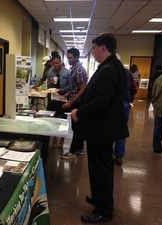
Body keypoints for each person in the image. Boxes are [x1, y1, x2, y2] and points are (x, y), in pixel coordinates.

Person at [71, 33, 129, 223]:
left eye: (94, 48)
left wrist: (79, 113)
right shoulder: (110, 66)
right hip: (102, 128)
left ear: (103, 48)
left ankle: (104, 209)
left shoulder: (109, 68)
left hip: (102, 129)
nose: (93, 52)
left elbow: (101, 101)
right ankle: (99, 198)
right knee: (97, 168)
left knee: (102, 169)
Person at [61, 48, 87, 158]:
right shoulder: (74, 68)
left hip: (77, 103)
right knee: (78, 127)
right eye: (67, 58)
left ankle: (72, 151)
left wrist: (70, 103)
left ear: (76, 57)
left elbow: (82, 89)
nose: (68, 60)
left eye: (70, 58)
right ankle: (80, 148)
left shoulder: (79, 70)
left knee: (76, 128)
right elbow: (75, 87)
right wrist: (67, 94)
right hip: (74, 100)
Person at [113, 54, 137, 165]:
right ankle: (119, 155)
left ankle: (107, 153)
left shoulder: (108, 71)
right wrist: (129, 98)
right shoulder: (127, 72)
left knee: (109, 126)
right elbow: (134, 88)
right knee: (122, 128)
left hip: (111, 102)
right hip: (124, 102)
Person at [46, 51, 70, 149]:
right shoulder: (51, 72)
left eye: (57, 63)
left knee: (63, 119)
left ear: (60, 61)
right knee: (54, 119)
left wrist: (62, 90)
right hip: (54, 98)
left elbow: (71, 85)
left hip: (64, 98)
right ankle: (55, 138)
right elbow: (48, 85)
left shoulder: (67, 72)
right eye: (54, 64)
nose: (55, 65)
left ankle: (62, 139)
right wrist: (51, 83)